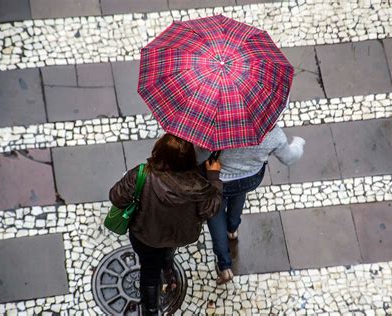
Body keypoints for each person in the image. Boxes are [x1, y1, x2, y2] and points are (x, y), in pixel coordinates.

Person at [109, 134, 222, 315]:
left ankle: (151, 310)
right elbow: (209, 210)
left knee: (149, 269)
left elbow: (116, 196)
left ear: (158, 152)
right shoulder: (200, 186)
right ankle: (168, 269)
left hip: (145, 236)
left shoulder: (142, 174)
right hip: (177, 235)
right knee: (168, 252)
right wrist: (214, 179)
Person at [196, 125, 305, 284]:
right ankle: (232, 229)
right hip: (249, 178)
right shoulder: (271, 132)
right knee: (238, 197)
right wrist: (298, 143)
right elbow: (289, 158)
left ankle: (225, 267)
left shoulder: (215, 128)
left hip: (218, 177)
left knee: (215, 213)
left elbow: (199, 157)